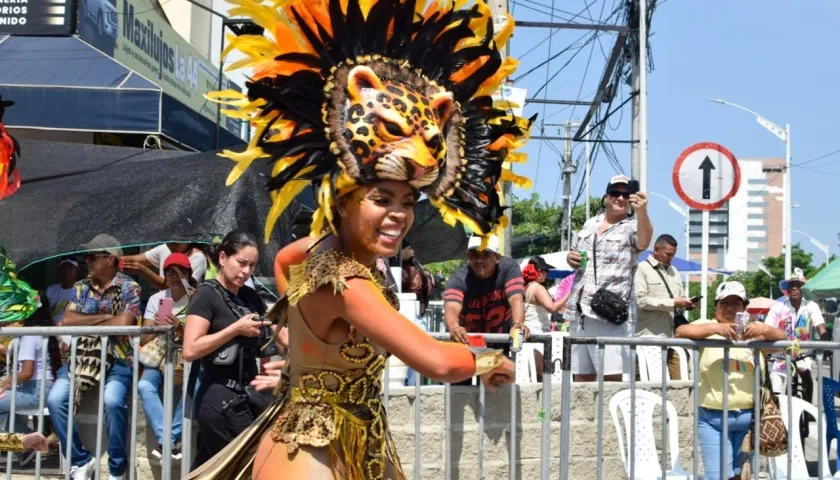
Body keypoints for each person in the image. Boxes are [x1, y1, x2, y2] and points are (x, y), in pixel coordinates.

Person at [182, 0, 529, 475]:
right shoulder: (348, 283)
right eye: (381, 198)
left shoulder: (318, 251)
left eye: (408, 201)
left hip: (347, 439)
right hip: (314, 459)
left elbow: (283, 261)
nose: (399, 215)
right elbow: (437, 362)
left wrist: (300, 350)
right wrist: (493, 361)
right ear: (342, 200)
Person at [48, 234, 142, 480]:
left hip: (118, 358)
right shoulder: (81, 287)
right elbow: (68, 320)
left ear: (110, 259)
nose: (86, 260)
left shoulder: (130, 287)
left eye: (92, 256)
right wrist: (104, 319)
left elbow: (124, 324)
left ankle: (117, 469)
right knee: (56, 400)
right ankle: (81, 460)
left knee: (112, 401)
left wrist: (89, 322)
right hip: (81, 358)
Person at [676, 281, 786, 480]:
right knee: (718, 476)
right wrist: (716, 329)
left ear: (744, 308)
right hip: (712, 419)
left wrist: (765, 330)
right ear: (716, 306)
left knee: (739, 476)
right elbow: (681, 331)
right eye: (724, 303)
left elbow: (784, 340)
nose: (730, 308)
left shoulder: (754, 332)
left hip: (748, 421)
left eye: (736, 304)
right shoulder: (706, 326)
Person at [182, 231, 269, 469]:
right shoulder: (206, 294)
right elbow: (190, 349)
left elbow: (271, 343)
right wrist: (235, 329)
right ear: (222, 258)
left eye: (251, 265)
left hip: (249, 397)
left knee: (205, 471)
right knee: (251, 469)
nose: (246, 271)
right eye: (241, 263)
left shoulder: (250, 296)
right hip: (220, 400)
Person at [566, 175, 653, 382]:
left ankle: (608, 415)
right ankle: (585, 416)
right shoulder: (589, 224)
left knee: (611, 379)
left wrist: (642, 212)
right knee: (582, 378)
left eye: (626, 194)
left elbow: (644, 241)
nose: (620, 198)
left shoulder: (634, 225)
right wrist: (571, 257)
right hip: (580, 311)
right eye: (615, 193)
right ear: (606, 197)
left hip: (611, 314)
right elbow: (576, 255)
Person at [138, 253, 194, 461]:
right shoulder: (159, 299)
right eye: (169, 271)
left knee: (195, 389)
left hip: (188, 357)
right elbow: (144, 339)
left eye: (179, 271)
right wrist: (157, 327)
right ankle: (169, 441)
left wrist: (181, 329)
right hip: (160, 357)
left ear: (188, 274)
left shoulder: (197, 297)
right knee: (145, 386)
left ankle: (169, 439)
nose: (174, 276)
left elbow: (203, 334)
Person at [0, 303, 61, 466]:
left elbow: (26, 373)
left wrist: (4, 382)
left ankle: (25, 440)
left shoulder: (29, 335)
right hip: (40, 388)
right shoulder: (38, 333)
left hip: (36, 390)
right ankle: (26, 440)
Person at [634, 234, 698, 379]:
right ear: (656, 249)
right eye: (668, 254)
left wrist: (688, 303)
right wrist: (673, 303)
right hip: (648, 339)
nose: (671, 258)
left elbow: (679, 298)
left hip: (672, 338)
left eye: (673, 255)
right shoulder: (641, 269)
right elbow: (641, 301)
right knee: (652, 385)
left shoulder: (674, 271)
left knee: (681, 383)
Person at [521, 257, 566, 380]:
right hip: (537, 333)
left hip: (527, 332)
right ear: (540, 272)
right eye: (546, 271)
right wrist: (568, 293)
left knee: (530, 376)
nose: (547, 274)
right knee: (543, 377)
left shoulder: (525, 287)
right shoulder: (538, 288)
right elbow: (552, 308)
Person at [121, 243, 208, 291]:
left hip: (186, 305)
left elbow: (175, 285)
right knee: (161, 322)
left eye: (176, 243)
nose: (171, 246)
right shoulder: (165, 248)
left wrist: (144, 271)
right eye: (168, 242)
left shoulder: (198, 257)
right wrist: (111, 254)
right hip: (165, 302)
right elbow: (134, 259)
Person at [45, 257, 80, 325]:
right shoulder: (51, 289)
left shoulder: (82, 291)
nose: (67, 270)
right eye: (64, 267)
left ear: (76, 271)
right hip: (51, 330)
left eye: (70, 267)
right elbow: (46, 312)